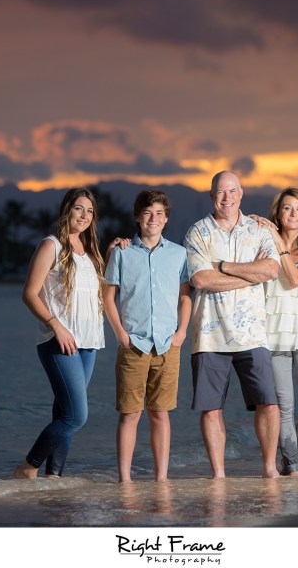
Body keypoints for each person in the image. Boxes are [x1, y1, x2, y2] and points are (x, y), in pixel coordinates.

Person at [184, 170, 282, 479]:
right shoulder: (197, 232)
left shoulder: (258, 229)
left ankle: (269, 468)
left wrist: (223, 267)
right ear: (212, 195)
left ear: (241, 193)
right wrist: (249, 274)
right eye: (220, 192)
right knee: (211, 408)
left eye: (232, 191)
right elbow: (201, 279)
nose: (226, 197)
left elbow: (271, 270)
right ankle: (219, 474)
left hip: (253, 334)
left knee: (269, 402)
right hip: (209, 336)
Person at [14, 187, 106, 479]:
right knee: (76, 416)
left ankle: (53, 477)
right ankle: (28, 467)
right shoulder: (50, 245)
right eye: (79, 208)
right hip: (58, 341)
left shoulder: (90, 252)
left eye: (90, 211)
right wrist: (56, 325)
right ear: (67, 210)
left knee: (64, 413)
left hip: (88, 343)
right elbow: (29, 294)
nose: (84, 215)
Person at [104, 190, 192, 483]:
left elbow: (185, 297)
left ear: (166, 219)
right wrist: (120, 334)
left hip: (168, 345)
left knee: (160, 413)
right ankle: (125, 479)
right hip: (133, 344)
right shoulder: (122, 252)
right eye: (147, 213)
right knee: (130, 414)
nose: (153, 219)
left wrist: (181, 332)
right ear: (137, 217)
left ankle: (161, 478)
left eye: (159, 214)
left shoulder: (179, 254)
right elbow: (108, 297)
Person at [251, 187, 298, 476]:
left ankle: (289, 456)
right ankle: (293, 467)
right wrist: (257, 225)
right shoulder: (265, 244)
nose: (293, 213)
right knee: (284, 408)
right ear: (278, 213)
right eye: (287, 208)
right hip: (274, 334)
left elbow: (296, 278)